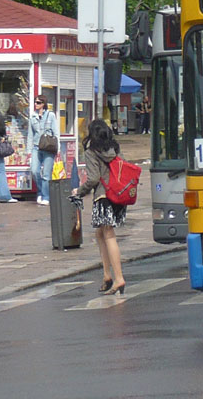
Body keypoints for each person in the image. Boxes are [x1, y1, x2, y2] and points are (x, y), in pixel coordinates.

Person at [72, 119, 126, 295]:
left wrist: (79, 191)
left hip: (103, 197)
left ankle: (118, 278)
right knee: (100, 233)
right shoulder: (114, 149)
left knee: (108, 234)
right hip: (117, 195)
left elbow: (93, 179)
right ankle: (106, 275)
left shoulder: (91, 152)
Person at [29, 95, 60, 206]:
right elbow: (30, 134)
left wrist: (58, 149)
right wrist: (29, 151)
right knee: (34, 171)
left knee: (47, 174)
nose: (36, 104)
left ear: (43, 104)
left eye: (38, 102)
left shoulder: (50, 115)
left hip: (48, 147)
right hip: (36, 146)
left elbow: (56, 132)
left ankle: (46, 196)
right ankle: (41, 191)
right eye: (35, 102)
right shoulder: (33, 117)